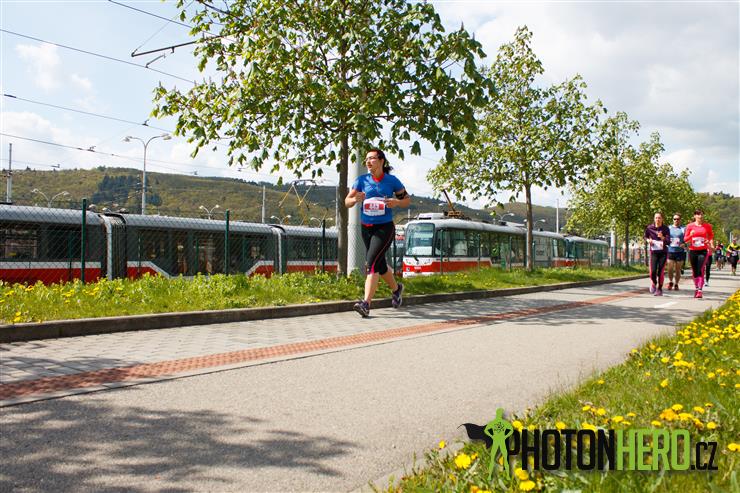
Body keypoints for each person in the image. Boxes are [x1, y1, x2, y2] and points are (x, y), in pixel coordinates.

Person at [345, 148, 410, 317]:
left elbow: (406, 200)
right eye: (366, 159)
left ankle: (366, 304)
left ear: (381, 161)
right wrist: (355, 199)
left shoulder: (392, 181)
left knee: (371, 263)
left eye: (372, 158)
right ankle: (397, 289)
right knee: (379, 265)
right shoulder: (361, 180)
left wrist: (396, 202)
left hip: (384, 228)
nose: (368, 162)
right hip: (366, 227)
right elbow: (347, 201)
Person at [684, 209, 714, 299]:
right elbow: (685, 239)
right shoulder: (690, 226)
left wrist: (709, 241)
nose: (700, 216)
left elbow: (711, 236)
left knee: (701, 269)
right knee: (695, 271)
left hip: (703, 250)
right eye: (698, 214)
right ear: (695, 216)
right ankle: (697, 288)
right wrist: (691, 235)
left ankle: (700, 290)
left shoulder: (707, 226)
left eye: (701, 214)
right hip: (693, 250)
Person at [644, 212, 670, 296]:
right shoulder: (650, 228)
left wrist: (662, 237)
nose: (657, 219)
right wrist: (648, 240)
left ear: (662, 219)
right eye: (656, 218)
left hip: (663, 253)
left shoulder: (665, 229)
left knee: (660, 272)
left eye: (659, 218)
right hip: (654, 252)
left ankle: (659, 289)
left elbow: (668, 241)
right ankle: (654, 283)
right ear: (654, 219)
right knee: (653, 271)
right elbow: (645, 236)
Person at [666, 213, 686, 290]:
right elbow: (665, 237)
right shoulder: (669, 228)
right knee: (670, 268)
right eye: (675, 219)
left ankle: (676, 284)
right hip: (670, 251)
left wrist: (684, 244)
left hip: (680, 252)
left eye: (678, 219)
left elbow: (687, 239)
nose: (676, 220)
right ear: (673, 220)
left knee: (678, 269)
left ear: (680, 220)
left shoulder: (683, 229)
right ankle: (671, 281)